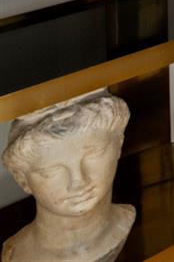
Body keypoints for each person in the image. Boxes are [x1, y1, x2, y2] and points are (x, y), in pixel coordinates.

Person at [1, 91, 134, 262]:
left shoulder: (147, 224)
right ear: (22, 179)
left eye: (93, 154)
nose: (78, 181)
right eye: (52, 171)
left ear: (119, 145)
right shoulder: (16, 255)